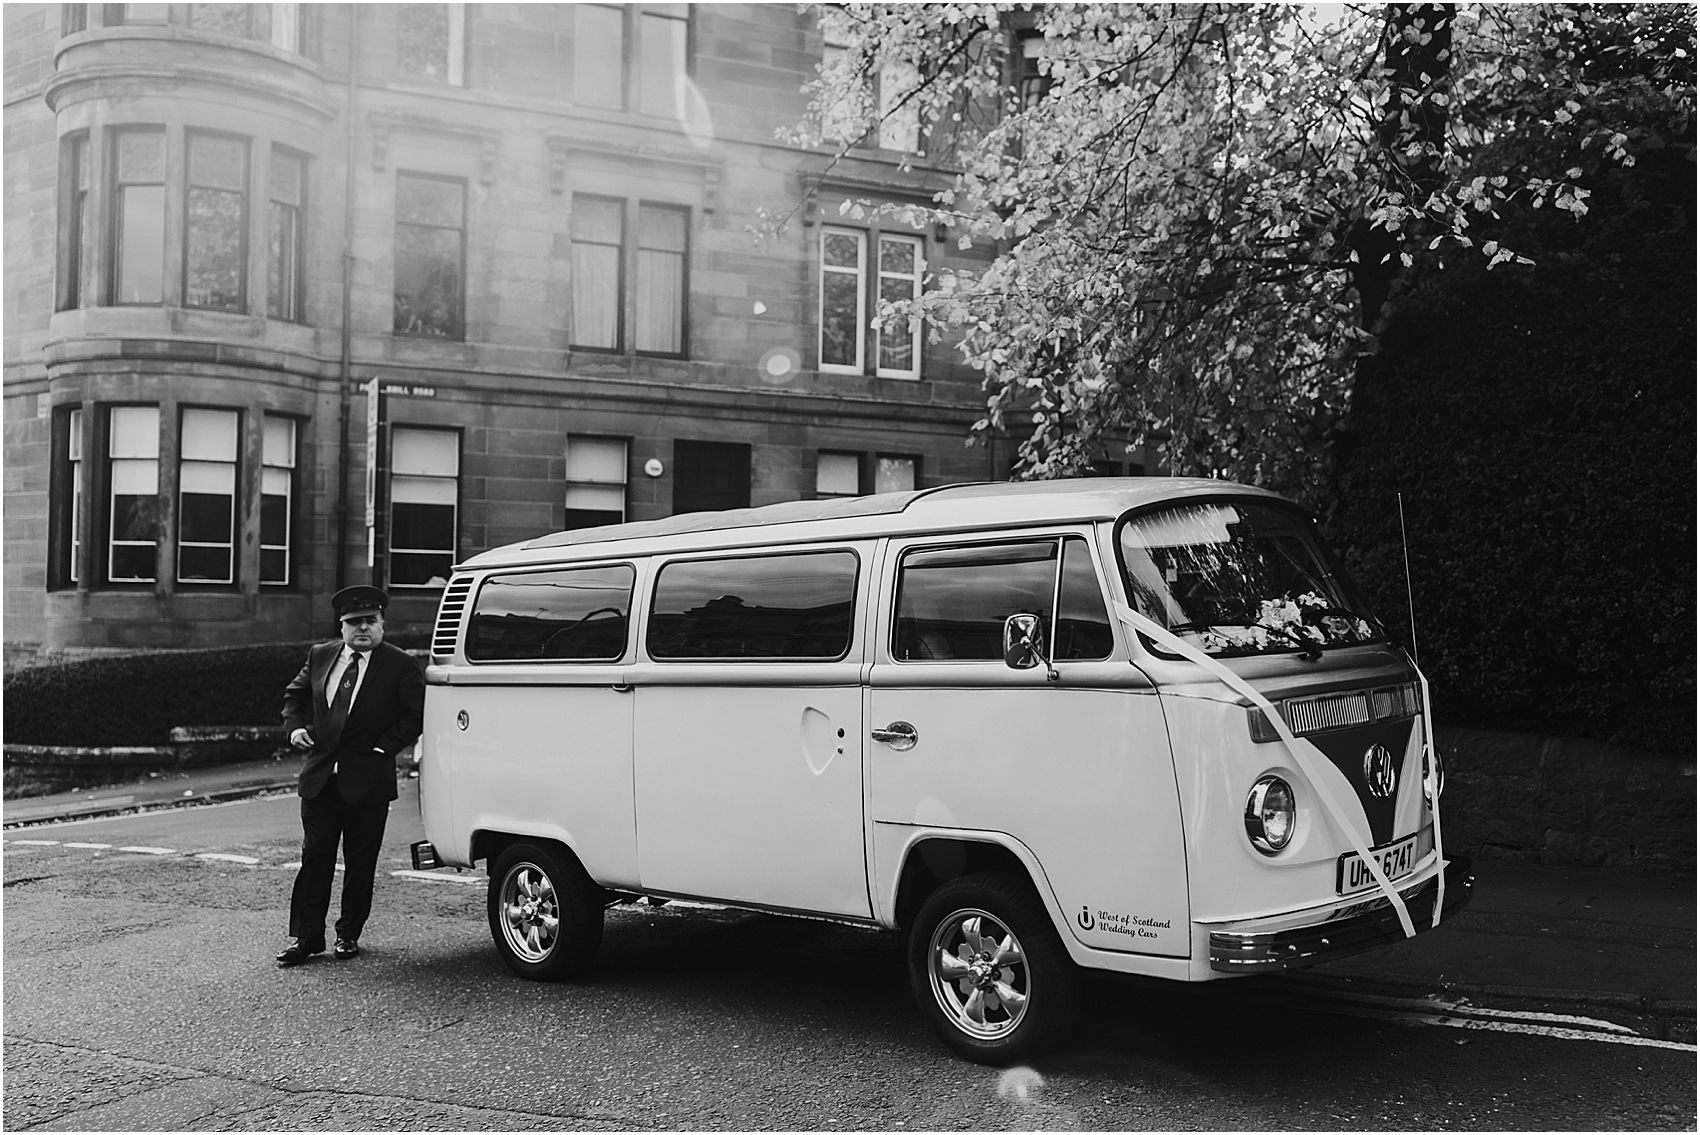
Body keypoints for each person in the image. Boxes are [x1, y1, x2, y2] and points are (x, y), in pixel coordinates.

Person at [275, 584, 424, 967]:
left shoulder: (400, 664)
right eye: (354, 622)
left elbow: (415, 715)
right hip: (321, 779)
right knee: (315, 860)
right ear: (341, 627)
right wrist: (294, 728)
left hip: (368, 782)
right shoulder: (321, 655)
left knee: (360, 865)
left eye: (370, 622)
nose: (362, 629)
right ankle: (307, 937)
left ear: (382, 624)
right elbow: (294, 695)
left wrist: (384, 747)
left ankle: (348, 934)